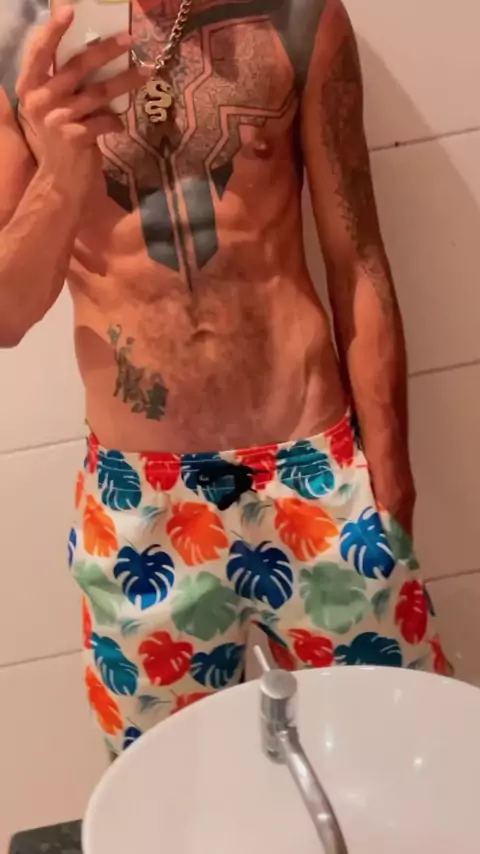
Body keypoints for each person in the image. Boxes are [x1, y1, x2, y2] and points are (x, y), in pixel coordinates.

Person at [0, 0, 450, 755]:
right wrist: (59, 175)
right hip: (138, 501)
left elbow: (357, 256)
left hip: (316, 475)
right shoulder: (20, 44)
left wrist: (391, 483)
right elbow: (6, 314)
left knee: (393, 747)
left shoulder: (301, 16)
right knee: (167, 780)